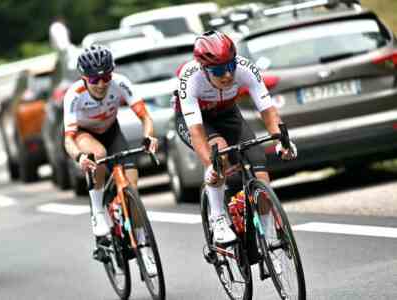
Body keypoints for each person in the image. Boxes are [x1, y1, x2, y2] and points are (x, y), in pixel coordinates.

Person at [173, 31, 297, 245]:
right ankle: (218, 218)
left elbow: (268, 111)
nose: (228, 75)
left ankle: (268, 237)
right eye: (219, 70)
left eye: (230, 66)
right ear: (204, 68)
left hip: (228, 114)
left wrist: (282, 141)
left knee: (260, 169)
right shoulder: (190, 77)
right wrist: (210, 166)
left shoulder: (246, 68)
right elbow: (196, 131)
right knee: (218, 154)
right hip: (196, 121)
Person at [63, 44, 158, 275]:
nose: (101, 84)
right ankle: (98, 211)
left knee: (132, 187)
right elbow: (69, 139)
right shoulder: (74, 95)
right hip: (86, 135)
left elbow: (145, 117)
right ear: (84, 78)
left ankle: (143, 246)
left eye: (106, 77)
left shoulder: (121, 83)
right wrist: (79, 156)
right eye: (94, 80)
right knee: (99, 156)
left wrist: (149, 136)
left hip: (113, 132)